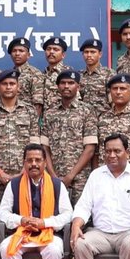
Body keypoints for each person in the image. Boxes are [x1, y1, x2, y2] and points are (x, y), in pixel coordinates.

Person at [0, 144, 72, 259]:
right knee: (5, 248)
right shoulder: (14, 184)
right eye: (29, 160)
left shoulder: (57, 185)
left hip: (48, 233)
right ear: (24, 163)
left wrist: (44, 223)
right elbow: (2, 213)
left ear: (45, 163)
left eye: (38, 160)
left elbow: (68, 214)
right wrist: (21, 220)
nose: (34, 164)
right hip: (23, 232)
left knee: (53, 251)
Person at [0, 68, 39, 216]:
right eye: (4, 83)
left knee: (26, 217)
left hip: (26, 174)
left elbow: (35, 145)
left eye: (12, 83)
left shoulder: (29, 111)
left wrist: (24, 171)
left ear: (18, 87)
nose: (8, 87)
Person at [42, 68, 99, 200]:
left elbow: (90, 149)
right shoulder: (50, 113)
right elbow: (45, 148)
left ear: (78, 86)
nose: (66, 86)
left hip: (79, 179)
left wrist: (70, 176)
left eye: (71, 83)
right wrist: (52, 175)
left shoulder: (87, 111)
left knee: (81, 217)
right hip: (53, 177)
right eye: (63, 83)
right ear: (57, 86)